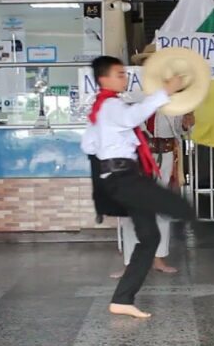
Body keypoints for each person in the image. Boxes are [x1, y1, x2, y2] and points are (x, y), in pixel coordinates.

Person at [82, 56, 194, 319]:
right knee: (176, 205)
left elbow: (88, 145)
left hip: (122, 174)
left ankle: (122, 299)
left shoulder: (102, 107)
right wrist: (165, 91)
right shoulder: (109, 105)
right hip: (124, 177)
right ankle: (204, 230)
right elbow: (133, 117)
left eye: (124, 73)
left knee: (150, 237)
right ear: (103, 79)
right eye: (119, 74)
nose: (124, 77)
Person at [115, 111, 195, 277]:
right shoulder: (134, 98)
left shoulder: (173, 103)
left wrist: (186, 123)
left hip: (164, 156)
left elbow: (181, 129)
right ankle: (130, 262)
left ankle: (158, 258)